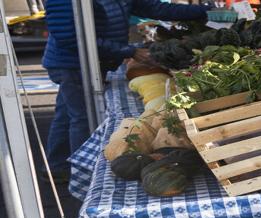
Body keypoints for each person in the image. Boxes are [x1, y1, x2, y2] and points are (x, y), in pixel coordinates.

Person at [42, 0, 212, 177]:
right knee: (82, 117)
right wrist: (128, 51)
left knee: (67, 114)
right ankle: (83, 174)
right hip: (74, 63)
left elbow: (153, 7)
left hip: (92, 61)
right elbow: (69, 36)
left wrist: (206, 11)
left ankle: (57, 167)